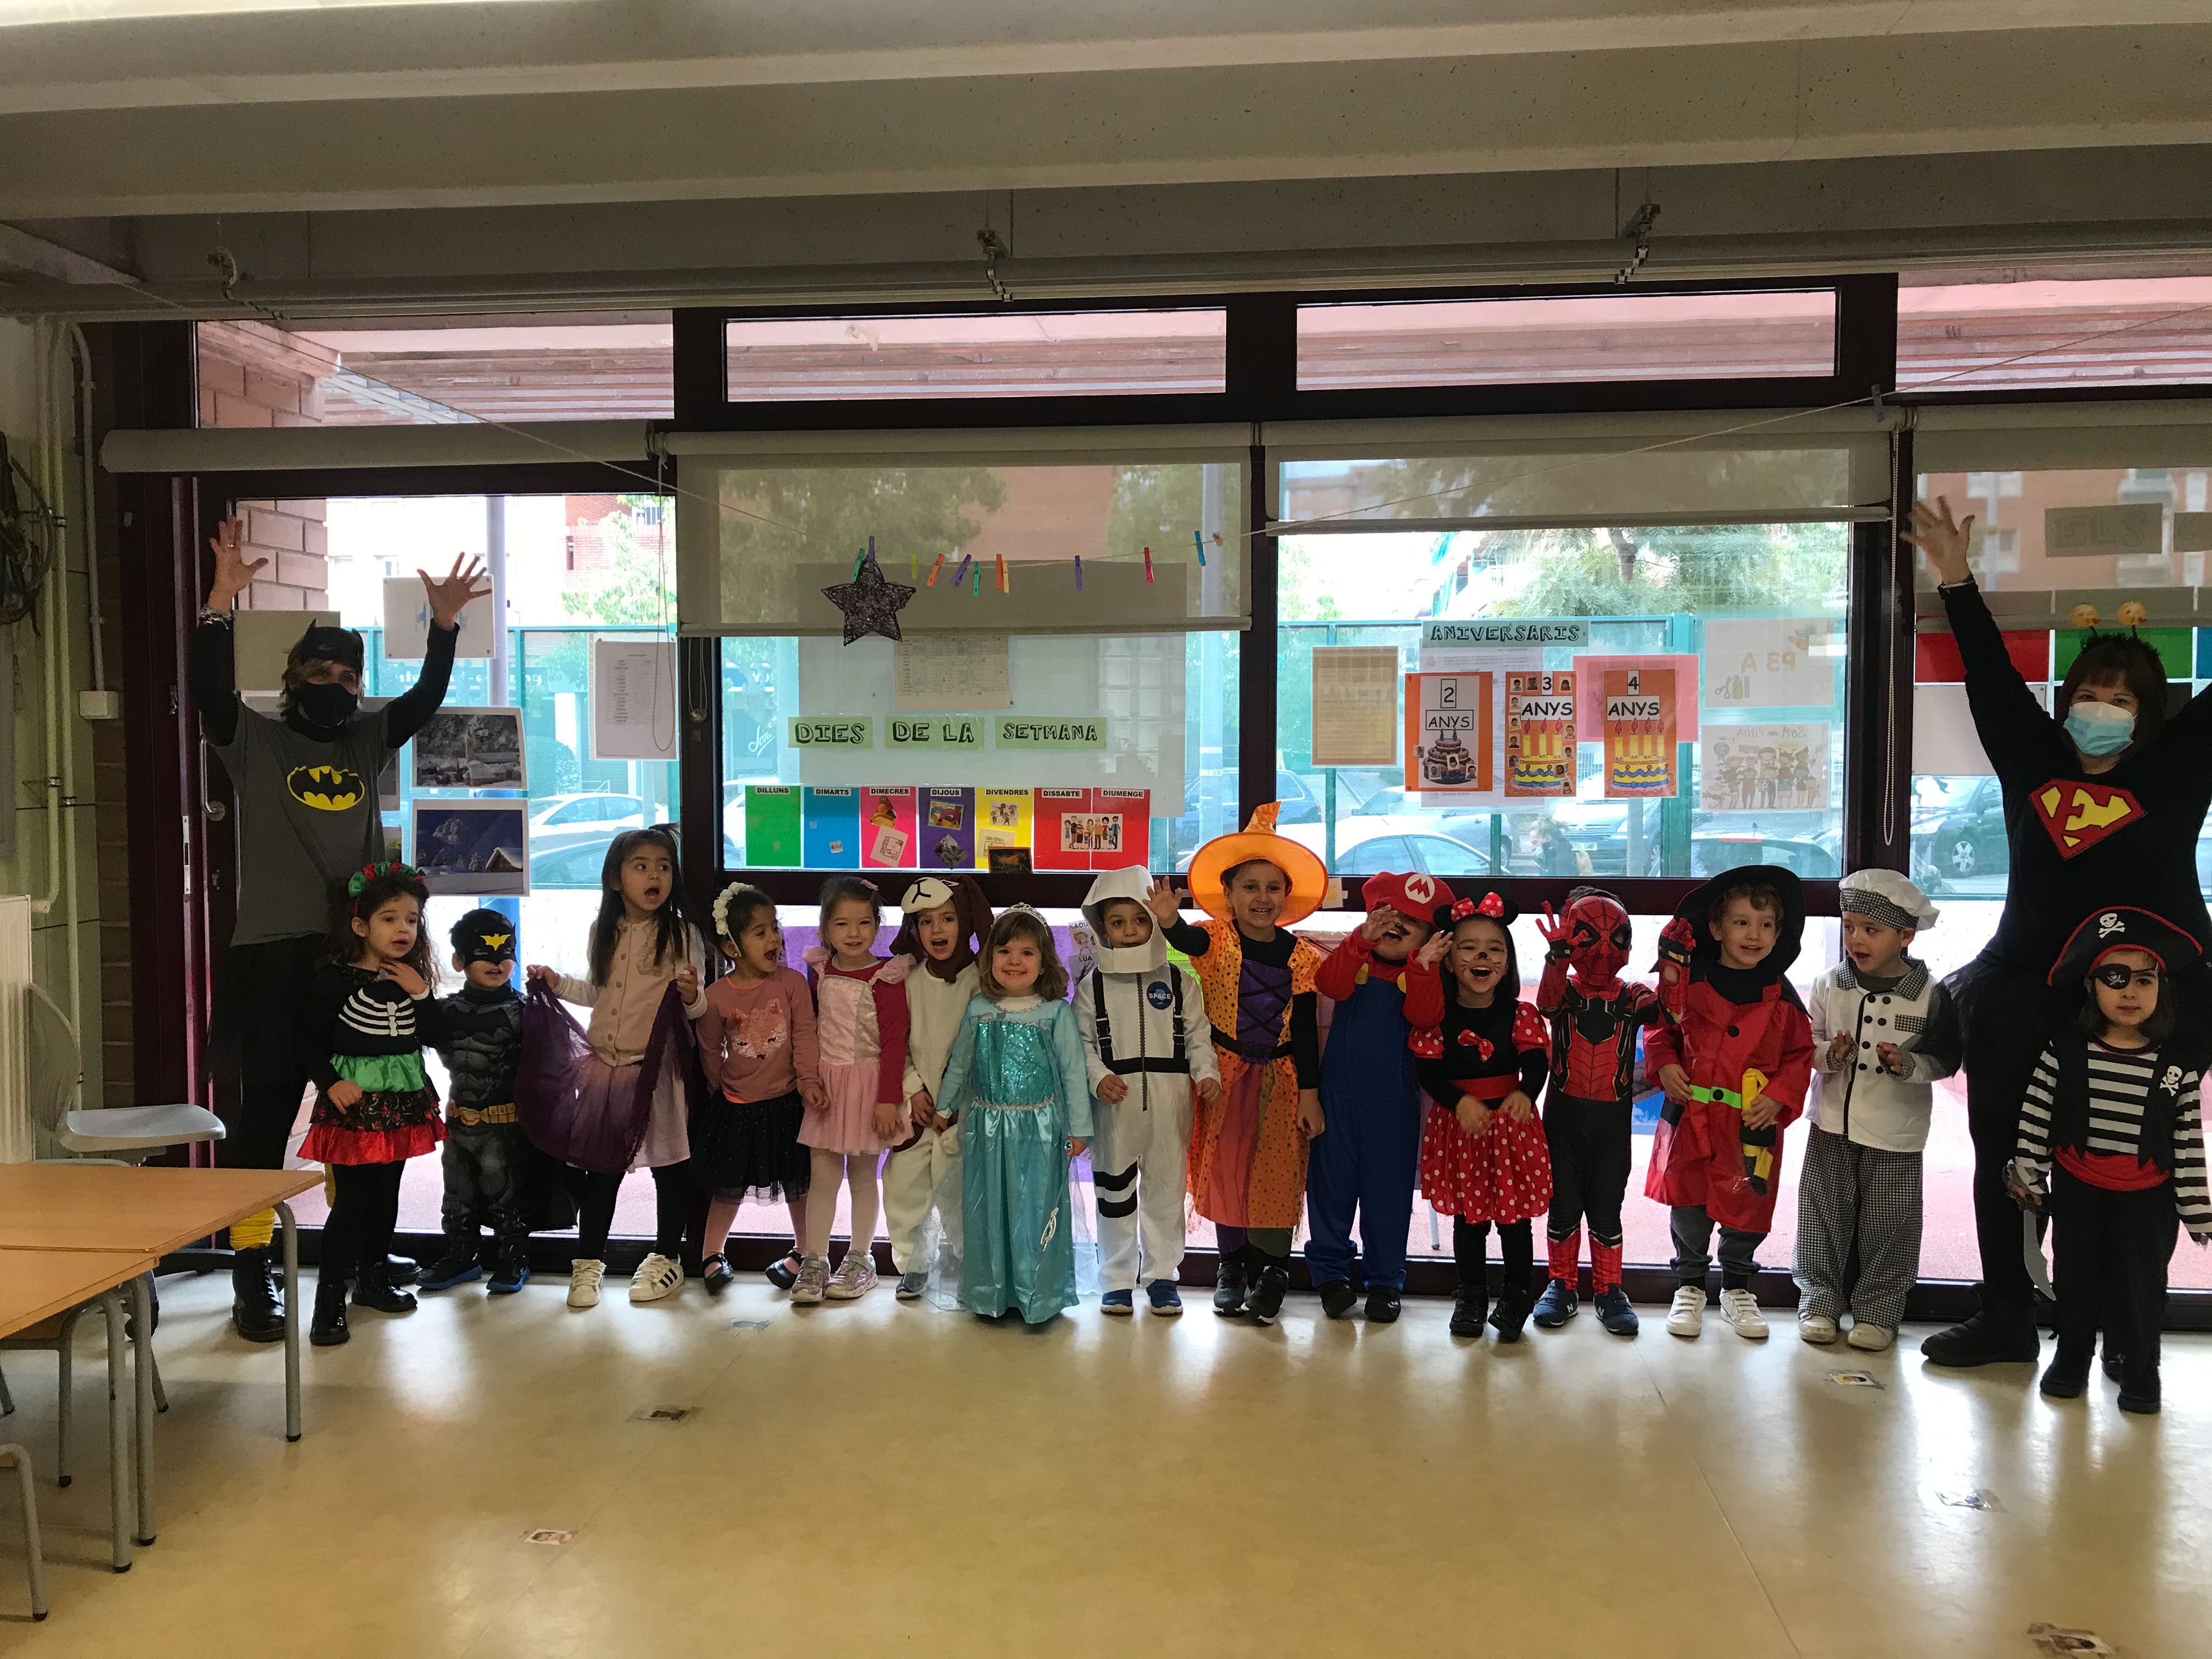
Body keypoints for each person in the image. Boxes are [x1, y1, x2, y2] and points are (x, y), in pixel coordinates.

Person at [1905, 496, 2212, 1368]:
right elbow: (1991, 677)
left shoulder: (2177, 769)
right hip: (2024, 987)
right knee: (2004, 1155)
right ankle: (2006, 1312)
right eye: (2089, 695)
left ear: (2149, 715)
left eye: (2122, 699)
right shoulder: (2033, 757)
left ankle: (2121, 1329)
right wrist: (1954, 578)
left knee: (2131, 1167)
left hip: (2148, 997)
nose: (2102, 708)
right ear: (2067, 700)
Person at [191, 512, 486, 1341]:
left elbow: (424, 701)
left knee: (372, 1122)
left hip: (352, 962)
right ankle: (252, 1275)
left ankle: (361, 1263)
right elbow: (209, 690)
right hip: (271, 960)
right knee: (264, 1126)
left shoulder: (364, 743)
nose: (333, 681)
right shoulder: (253, 740)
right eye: (318, 670)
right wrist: (217, 606)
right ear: (293, 678)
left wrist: (443, 627)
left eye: (347, 673)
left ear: (359, 685)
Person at [2012, 908, 2211, 1415]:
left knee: (2142, 1287)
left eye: (2144, 980)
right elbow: (2037, 1114)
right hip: (2080, 1189)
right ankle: (2072, 1357)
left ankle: (2140, 1368)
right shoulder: (2065, 1052)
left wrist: (2197, 1210)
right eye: (2115, 978)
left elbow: (2187, 1141)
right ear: (2092, 985)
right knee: (2075, 1278)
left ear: (2161, 988)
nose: (2130, 993)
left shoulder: (2176, 1068)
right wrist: (2028, 1173)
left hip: (2148, 1199)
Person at [1143, 804, 1327, 1327]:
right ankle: (1232, 1265)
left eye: (1273, 887)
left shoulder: (1303, 958)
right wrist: (1168, 918)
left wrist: (1310, 1094)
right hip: (1223, 1077)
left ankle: (1273, 1270)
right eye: (1250, 887)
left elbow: (1307, 1032)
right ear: (1228, 895)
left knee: (1276, 1172)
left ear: (1286, 896)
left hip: (1282, 1081)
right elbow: (1186, 940)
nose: (1261, 898)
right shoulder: (1217, 940)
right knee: (1226, 1167)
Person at [524, 827, 709, 1311]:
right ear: (614, 879)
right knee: (601, 1172)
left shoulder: (682, 934)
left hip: (657, 1071)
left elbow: (696, 1007)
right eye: (641, 866)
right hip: (605, 1069)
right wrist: (557, 983)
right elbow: (597, 992)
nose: (654, 876)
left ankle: (667, 1257)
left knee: (670, 1167)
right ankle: (588, 1264)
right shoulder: (602, 931)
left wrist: (693, 995)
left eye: (663, 867)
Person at [1644, 865, 1816, 1342]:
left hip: (1750, 1123)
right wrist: (1665, 1064)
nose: (1754, 935)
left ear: (1779, 934)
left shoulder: (1782, 998)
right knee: (1690, 1202)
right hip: (1693, 1117)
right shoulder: (1687, 987)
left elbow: (1800, 1054)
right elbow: (1660, 1029)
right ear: (1717, 929)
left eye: (1766, 925)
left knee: (1748, 1204)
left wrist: (1779, 1095)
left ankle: (1738, 1286)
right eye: (1741, 922)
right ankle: (1690, 1285)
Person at [1795, 871, 1961, 1351]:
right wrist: (1831, 1055)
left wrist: (1908, 1065)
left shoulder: (1932, 994)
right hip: (1831, 1123)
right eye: (1849, 926)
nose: (1857, 939)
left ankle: (1879, 1312)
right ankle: (1819, 1302)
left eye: (1872, 929)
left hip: (1896, 1133)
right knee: (1821, 1216)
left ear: (1905, 936)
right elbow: (1808, 1046)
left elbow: (1946, 1058)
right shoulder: (1829, 984)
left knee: (1891, 1225)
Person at [297, 863, 443, 1348]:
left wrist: (422, 993)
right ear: (360, 926)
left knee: (386, 1194)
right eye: (390, 919)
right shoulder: (334, 980)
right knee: (352, 1200)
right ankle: (329, 1298)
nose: (404, 929)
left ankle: (373, 1277)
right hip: (355, 1106)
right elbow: (307, 1042)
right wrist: (331, 1083)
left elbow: (437, 1035)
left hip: (402, 1102)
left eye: (412, 920)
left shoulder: (410, 979)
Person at [1406, 888, 1553, 1342]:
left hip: (1511, 1128)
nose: (1482, 957)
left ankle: (1518, 1294)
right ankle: (1470, 1294)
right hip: (1462, 1128)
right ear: (1449, 962)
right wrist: (1459, 1102)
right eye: (1468, 948)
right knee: (1469, 1220)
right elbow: (1428, 1072)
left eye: (1494, 949)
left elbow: (1537, 1062)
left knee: (1515, 1221)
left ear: (1507, 963)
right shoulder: (1437, 1018)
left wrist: (1526, 1092)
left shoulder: (1520, 1013)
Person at [935, 908, 1093, 1327]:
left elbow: (1073, 1073)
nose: (1015, 961)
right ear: (990, 958)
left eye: (1027, 952)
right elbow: (961, 1063)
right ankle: (992, 1292)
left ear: (1044, 961)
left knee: (1035, 1209)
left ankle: (1038, 1294)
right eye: (1004, 951)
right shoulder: (979, 1009)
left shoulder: (1055, 1013)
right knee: (988, 1209)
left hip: (1040, 1131)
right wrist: (946, 1106)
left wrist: (1081, 1129)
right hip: (987, 1130)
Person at [1074, 867, 1218, 1317]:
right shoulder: (1091, 987)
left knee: (1166, 1192)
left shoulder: (1179, 981)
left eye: (1140, 920)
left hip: (1170, 1101)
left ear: (1155, 922)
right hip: (1114, 1106)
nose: (1131, 931)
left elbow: (1198, 1035)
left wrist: (1207, 1073)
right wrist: (1098, 1077)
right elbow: (1081, 1045)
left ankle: (1162, 1277)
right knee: (1114, 1194)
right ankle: (1117, 1280)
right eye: (1118, 923)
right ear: (1102, 928)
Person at [1306, 872, 1443, 1323]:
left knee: (1389, 1197)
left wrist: (1422, 968)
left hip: (1395, 1108)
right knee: (1330, 1191)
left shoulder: (1423, 975)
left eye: (1412, 923)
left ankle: (1385, 1280)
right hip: (1336, 1099)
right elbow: (1330, 985)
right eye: (1389, 916)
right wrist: (1358, 942)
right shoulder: (1355, 959)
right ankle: (1330, 1275)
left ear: (1429, 938)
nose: (1397, 926)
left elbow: (1426, 1017)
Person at [1531, 886, 1661, 1336]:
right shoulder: (1566, 992)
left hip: (1611, 1125)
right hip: (1562, 1120)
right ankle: (1561, 1285)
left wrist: (1678, 962)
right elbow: (1546, 1004)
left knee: (1607, 1210)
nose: (1604, 951)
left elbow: (1670, 1015)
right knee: (1563, 1206)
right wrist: (1556, 959)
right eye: (1590, 938)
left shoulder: (1633, 995)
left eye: (1615, 938)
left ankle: (1609, 1290)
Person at [691, 883, 826, 1295]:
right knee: (728, 1186)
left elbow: (805, 1036)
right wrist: (718, 1087)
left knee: (798, 1184)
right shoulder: (715, 996)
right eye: (760, 932)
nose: (774, 939)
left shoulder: (792, 984)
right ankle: (711, 1254)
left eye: (775, 928)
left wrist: (808, 1082)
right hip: (736, 1107)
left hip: (787, 1104)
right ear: (732, 947)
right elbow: (709, 1048)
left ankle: (806, 1252)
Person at [792, 877, 911, 1306]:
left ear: (877, 925)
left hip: (868, 1089)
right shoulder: (820, 969)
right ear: (826, 927)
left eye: (864, 922)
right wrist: (809, 1081)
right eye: (842, 924)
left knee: (862, 1177)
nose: (854, 933)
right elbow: (810, 1029)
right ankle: (815, 1259)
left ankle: (861, 1258)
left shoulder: (887, 976)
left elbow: (895, 1043)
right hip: (827, 1088)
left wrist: (887, 1100)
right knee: (822, 1177)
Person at [885, 876, 993, 1301]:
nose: (937, 930)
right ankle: (913, 1263)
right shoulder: (909, 984)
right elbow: (896, 1043)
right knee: (904, 1184)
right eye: (926, 921)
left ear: (964, 922)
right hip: (920, 1109)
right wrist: (913, 1089)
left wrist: (962, 1105)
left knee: (962, 1190)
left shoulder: (982, 983)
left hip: (963, 1113)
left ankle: (970, 1262)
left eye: (948, 918)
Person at [418, 910, 533, 1296]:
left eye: (506, 954)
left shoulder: (525, 1013)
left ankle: (514, 1258)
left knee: (507, 1197)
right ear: (460, 960)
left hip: (506, 1126)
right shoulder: (445, 1012)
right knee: (457, 1196)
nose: (497, 962)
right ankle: (462, 1256)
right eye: (483, 954)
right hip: (458, 1123)